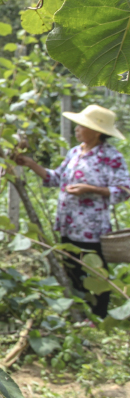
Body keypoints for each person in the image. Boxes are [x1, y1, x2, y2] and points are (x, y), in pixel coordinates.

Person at [16, 104, 130, 318]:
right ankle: (79, 314)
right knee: (72, 270)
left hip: (91, 228)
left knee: (96, 272)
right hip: (68, 225)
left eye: (81, 126)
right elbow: (56, 178)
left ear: (96, 132)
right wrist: (30, 164)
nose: (77, 129)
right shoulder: (75, 152)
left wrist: (91, 190)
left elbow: (124, 190)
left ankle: (100, 315)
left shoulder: (111, 157)